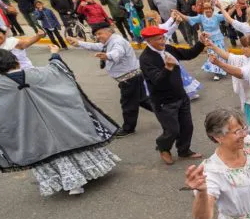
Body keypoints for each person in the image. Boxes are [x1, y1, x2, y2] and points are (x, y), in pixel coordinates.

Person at [0, 45, 120, 196]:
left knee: (47, 151)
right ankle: (90, 172)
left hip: (31, 129)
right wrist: (54, 54)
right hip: (59, 121)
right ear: (15, 60)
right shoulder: (39, 73)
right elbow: (58, 70)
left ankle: (71, 184)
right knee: (71, 142)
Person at [66, 22, 154, 137]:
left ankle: (128, 128)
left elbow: (117, 53)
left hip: (130, 79)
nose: (97, 37)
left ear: (108, 31)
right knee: (143, 100)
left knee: (128, 104)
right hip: (132, 78)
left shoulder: (117, 42)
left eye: (99, 33)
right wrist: (79, 43)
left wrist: (108, 56)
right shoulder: (109, 42)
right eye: (96, 35)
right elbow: (97, 46)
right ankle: (167, 112)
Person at [139, 25, 205, 165]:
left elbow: (188, 54)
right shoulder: (146, 59)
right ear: (149, 41)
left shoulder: (168, 49)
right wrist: (168, 68)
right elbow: (157, 81)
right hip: (164, 102)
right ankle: (163, 148)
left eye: (162, 37)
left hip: (181, 96)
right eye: (158, 39)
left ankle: (184, 150)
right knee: (172, 130)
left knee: (187, 126)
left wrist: (201, 42)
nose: (162, 41)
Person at [207, 35, 250, 138]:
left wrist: (218, 63)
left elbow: (241, 73)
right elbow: (229, 56)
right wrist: (212, 46)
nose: (241, 49)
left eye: (244, 46)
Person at [176, 2, 227, 81]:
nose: (208, 10)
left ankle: (224, 69)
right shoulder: (201, 17)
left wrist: (231, 8)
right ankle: (216, 73)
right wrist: (179, 13)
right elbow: (188, 18)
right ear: (203, 10)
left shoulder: (216, 16)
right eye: (206, 8)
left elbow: (226, 15)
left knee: (221, 55)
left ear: (212, 9)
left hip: (219, 39)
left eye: (209, 8)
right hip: (209, 41)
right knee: (212, 55)